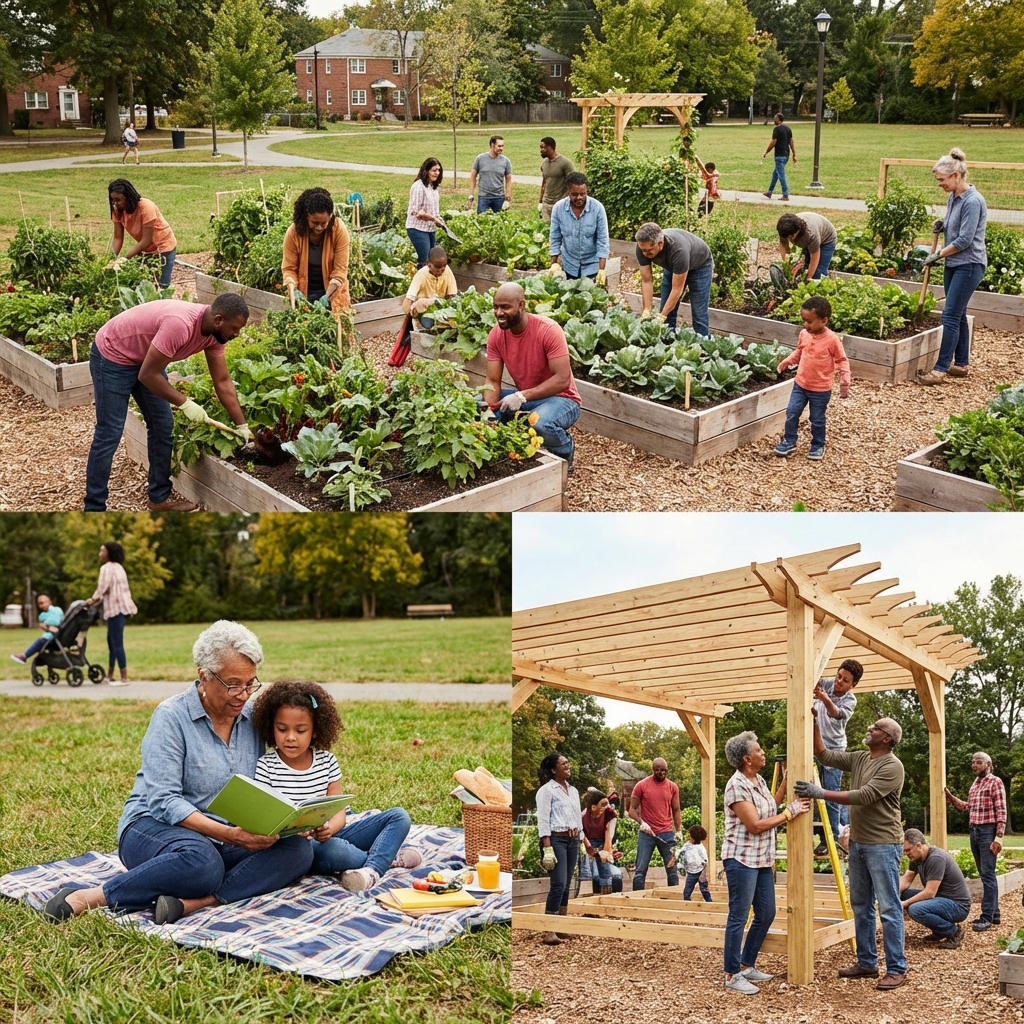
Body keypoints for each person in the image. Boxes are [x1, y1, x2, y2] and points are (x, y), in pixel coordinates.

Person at [39, 621, 314, 925]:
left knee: (299, 851)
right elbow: (164, 801)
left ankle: (195, 901)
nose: (243, 694)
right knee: (203, 865)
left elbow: (284, 760)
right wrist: (230, 835)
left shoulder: (253, 717)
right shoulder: (171, 717)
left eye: (251, 683)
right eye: (234, 684)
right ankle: (90, 896)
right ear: (203, 676)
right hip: (153, 827)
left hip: (227, 836)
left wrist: (291, 821)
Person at [85, 294, 251, 512]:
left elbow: (222, 381)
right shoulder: (180, 325)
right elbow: (148, 375)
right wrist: (185, 403)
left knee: (163, 426)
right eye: (235, 328)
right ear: (219, 319)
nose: (236, 335)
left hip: (147, 359)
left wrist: (242, 425)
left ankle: (158, 499)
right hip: (114, 353)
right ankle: (94, 508)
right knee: (110, 432)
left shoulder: (215, 335)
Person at [251, 680, 419, 891]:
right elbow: (267, 817)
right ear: (271, 727)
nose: (291, 738)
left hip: (329, 835)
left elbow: (339, 811)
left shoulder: (327, 761)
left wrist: (329, 828)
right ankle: (384, 860)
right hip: (298, 848)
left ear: (315, 731)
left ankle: (370, 870)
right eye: (282, 729)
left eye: (301, 730)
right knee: (337, 851)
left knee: (398, 816)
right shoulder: (267, 765)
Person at [796, 716, 907, 990]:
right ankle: (867, 962)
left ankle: (897, 969)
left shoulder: (893, 766)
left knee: (890, 908)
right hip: (858, 842)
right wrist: (814, 723)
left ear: (887, 739)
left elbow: (864, 795)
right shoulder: (860, 757)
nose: (870, 728)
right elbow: (824, 755)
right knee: (861, 904)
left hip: (883, 844)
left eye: (876, 727)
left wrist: (819, 792)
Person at [722, 731, 811, 995]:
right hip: (741, 859)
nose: (763, 753)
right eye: (759, 750)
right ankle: (731, 973)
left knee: (767, 912)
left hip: (761, 859)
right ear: (747, 758)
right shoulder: (736, 785)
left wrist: (784, 785)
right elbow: (756, 824)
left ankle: (746, 964)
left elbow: (769, 806)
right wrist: (790, 812)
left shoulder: (758, 779)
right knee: (738, 916)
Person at [485, 282, 581, 471]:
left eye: (505, 307)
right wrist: (489, 410)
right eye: (496, 307)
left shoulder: (548, 330)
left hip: (563, 399)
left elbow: (562, 380)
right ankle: (507, 443)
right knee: (476, 403)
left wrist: (521, 396)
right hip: (529, 396)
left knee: (540, 421)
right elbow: (492, 381)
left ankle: (564, 451)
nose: (499, 313)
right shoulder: (496, 335)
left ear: (521, 305)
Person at [918, 148, 987, 386]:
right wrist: (942, 225)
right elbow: (955, 227)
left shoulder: (973, 201)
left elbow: (965, 240)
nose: (940, 184)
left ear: (956, 175)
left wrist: (936, 255)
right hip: (954, 263)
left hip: (969, 264)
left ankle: (940, 369)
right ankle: (961, 363)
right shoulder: (953, 197)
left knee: (949, 315)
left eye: (942, 180)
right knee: (956, 315)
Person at [773, 295, 850, 461]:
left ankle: (817, 444)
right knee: (792, 412)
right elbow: (800, 352)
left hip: (820, 389)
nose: (805, 325)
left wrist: (845, 379)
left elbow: (841, 360)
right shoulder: (804, 334)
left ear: (824, 320)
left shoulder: (832, 340)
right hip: (800, 384)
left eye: (809, 321)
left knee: (817, 419)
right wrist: (787, 361)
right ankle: (789, 441)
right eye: (804, 320)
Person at [944, 751, 1006, 931]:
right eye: (973, 762)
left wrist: (998, 837)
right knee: (985, 873)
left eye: (979, 762)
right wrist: (949, 796)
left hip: (988, 831)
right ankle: (995, 914)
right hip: (974, 831)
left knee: (987, 874)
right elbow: (966, 807)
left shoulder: (995, 782)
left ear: (988, 764)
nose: (975, 765)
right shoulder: (976, 783)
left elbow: (1001, 812)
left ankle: (986, 916)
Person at [812, 659, 863, 855]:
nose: (839, 682)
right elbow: (813, 678)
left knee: (831, 794)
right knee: (815, 794)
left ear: (853, 684)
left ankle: (833, 837)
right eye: (838, 676)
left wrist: (823, 698)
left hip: (834, 751)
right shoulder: (827, 683)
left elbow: (836, 713)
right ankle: (829, 833)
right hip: (816, 748)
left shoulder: (850, 700)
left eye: (845, 680)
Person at [634, 223, 715, 337]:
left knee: (699, 313)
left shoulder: (678, 250)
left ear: (660, 243)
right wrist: (646, 310)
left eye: (648, 251)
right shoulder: (642, 247)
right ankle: (668, 344)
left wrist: (661, 316)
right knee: (667, 311)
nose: (645, 254)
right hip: (674, 267)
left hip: (700, 265)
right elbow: (647, 281)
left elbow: (677, 289)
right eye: (643, 250)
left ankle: (704, 345)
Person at [282, 187, 352, 314]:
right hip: (305, 291)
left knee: (338, 328)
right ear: (306, 217)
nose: (319, 227)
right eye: (314, 223)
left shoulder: (338, 230)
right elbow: (289, 269)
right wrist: (293, 289)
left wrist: (327, 296)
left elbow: (340, 271)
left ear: (330, 217)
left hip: (333, 290)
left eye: (324, 223)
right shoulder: (294, 233)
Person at [535, 752, 581, 945]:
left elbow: (577, 818)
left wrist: (582, 839)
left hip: (573, 841)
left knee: (567, 885)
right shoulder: (547, 791)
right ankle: (549, 930)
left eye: (568, 762)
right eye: (563, 764)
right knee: (558, 884)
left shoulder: (574, 791)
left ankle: (561, 926)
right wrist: (547, 848)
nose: (567, 766)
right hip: (556, 840)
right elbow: (544, 819)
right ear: (554, 770)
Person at [899, 828, 971, 949]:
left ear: (919, 845)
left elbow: (929, 893)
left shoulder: (936, 858)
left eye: (908, 850)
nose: (905, 854)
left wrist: (904, 904)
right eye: (904, 851)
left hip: (958, 906)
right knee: (904, 894)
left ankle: (953, 931)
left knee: (915, 909)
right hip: (940, 899)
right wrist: (892, 894)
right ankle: (940, 930)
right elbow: (907, 879)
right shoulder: (916, 858)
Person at [83, 542, 137, 686]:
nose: (99, 553)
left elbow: (103, 588)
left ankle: (124, 677)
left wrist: (92, 600)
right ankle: (110, 675)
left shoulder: (106, 568)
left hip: (115, 610)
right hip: (123, 608)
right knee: (112, 642)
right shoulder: (119, 567)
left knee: (117, 643)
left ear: (109, 553)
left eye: (102, 551)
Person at [107, 179, 176, 289]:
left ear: (128, 197)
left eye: (118, 200)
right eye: (112, 200)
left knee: (162, 285)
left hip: (163, 246)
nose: (115, 203)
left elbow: (146, 241)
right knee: (142, 283)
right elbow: (118, 237)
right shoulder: (118, 209)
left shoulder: (145, 207)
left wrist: (125, 258)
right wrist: (111, 259)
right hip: (146, 249)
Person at [628, 758, 681, 891]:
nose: (660, 772)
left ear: (667, 770)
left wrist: (678, 830)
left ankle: (674, 898)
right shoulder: (642, 785)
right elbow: (631, 810)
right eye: (657, 770)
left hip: (666, 833)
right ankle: (637, 901)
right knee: (640, 870)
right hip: (647, 833)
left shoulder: (672, 787)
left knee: (672, 869)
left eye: (663, 770)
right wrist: (642, 822)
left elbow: (676, 810)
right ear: (653, 770)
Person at [548, 171, 610, 284]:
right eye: (574, 194)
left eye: (583, 193)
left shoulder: (597, 208)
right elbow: (555, 238)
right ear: (568, 192)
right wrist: (554, 265)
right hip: (569, 265)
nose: (579, 197)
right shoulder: (559, 209)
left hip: (592, 266)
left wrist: (601, 271)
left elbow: (603, 240)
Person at [402, 246, 458, 328]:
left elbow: (452, 295)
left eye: (444, 266)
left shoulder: (447, 271)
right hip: (425, 309)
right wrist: (415, 306)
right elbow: (406, 305)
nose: (441, 270)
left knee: (457, 303)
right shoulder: (421, 275)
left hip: (441, 306)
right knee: (428, 324)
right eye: (438, 267)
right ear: (428, 263)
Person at [406, 157, 447, 268]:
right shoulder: (418, 186)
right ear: (426, 171)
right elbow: (418, 213)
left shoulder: (433, 187)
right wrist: (434, 219)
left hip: (430, 229)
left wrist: (440, 220)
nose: (437, 173)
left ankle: (429, 284)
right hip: (417, 229)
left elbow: (434, 211)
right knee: (425, 261)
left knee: (431, 260)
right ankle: (419, 285)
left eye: (439, 170)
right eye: (434, 170)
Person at [777, 212, 837, 280]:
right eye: (787, 237)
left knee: (818, 273)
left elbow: (814, 259)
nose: (789, 239)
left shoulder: (810, 234)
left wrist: (807, 279)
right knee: (802, 268)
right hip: (811, 237)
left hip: (827, 240)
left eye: (792, 236)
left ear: (798, 230)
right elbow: (784, 249)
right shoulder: (784, 229)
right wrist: (787, 268)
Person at [580, 789, 617, 896]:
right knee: (585, 868)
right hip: (586, 841)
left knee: (604, 868)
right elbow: (582, 837)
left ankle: (606, 894)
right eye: (603, 804)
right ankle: (585, 895)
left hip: (602, 840)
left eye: (607, 803)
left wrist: (605, 852)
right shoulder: (582, 817)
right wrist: (591, 850)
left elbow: (609, 832)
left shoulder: (610, 813)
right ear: (593, 807)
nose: (607, 806)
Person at [10, 593, 63, 664]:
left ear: (49, 602)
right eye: (40, 603)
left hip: (53, 638)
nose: (42, 605)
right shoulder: (57, 610)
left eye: (44, 602)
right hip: (58, 636)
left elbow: (54, 622)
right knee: (40, 641)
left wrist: (46, 626)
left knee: (39, 641)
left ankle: (24, 656)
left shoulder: (52, 612)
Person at [468, 136, 512, 215]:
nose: (501, 148)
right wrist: (471, 194)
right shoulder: (480, 159)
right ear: (492, 145)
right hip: (483, 197)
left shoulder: (506, 161)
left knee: (499, 224)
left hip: (499, 197)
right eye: (499, 146)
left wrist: (508, 194)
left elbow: (508, 179)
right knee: (482, 222)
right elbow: (473, 176)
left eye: (502, 146)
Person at [761, 113, 796, 201]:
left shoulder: (777, 129)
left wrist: (766, 151)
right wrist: (794, 154)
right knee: (775, 174)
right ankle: (769, 192)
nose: (774, 120)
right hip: (786, 155)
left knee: (781, 175)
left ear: (778, 119)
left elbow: (774, 141)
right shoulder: (788, 128)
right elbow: (791, 141)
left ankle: (785, 195)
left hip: (779, 155)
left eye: (775, 118)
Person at [538, 137, 574, 223]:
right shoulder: (544, 164)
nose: (541, 150)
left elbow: (572, 183)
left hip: (560, 204)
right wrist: (540, 201)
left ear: (550, 147)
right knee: (547, 231)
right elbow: (544, 182)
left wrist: (566, 201)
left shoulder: (565, 163)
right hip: (546, 204)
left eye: (543, 147)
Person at [681, 824, 712, 902]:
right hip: (691, 872)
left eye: (690, 836)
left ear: (695, 838)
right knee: (687, 891)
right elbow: (681, 852)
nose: (689, 837)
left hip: (700, 872)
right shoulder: (687, 845)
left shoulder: (700, 848)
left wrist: (703, 874)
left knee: (704, 890)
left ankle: (710, 903)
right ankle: (687, 903)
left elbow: (705, 861)